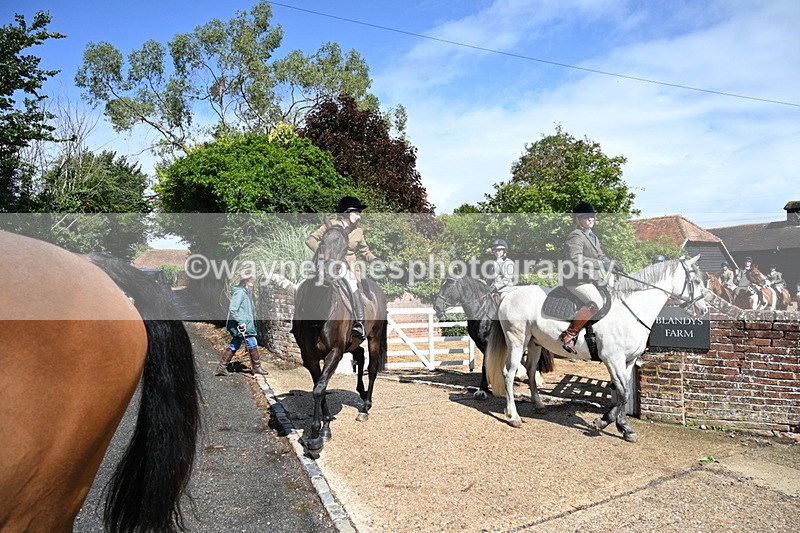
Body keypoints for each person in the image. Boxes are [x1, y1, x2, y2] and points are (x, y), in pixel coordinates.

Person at [306, 196, 378, 339]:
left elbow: (365, 252)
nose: (359, 217)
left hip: (347, 268)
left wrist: (375, 259)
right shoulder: (331, 225)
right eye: (356, 213)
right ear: (347, 212)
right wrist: (323, 252)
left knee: (352, 285)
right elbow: (310, 239)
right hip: (327, 264)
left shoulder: (358, 232)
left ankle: (359, 323)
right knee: (307, 284)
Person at [559, 201, 621, 354]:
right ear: (577, 219)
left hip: (589, 279)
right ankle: (569, 335)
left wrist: (611, 264)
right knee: (596, 302)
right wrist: (600, 264)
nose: (590, 219)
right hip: (576, 279)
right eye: (586, 217)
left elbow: (601, 256)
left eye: (592, 216)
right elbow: (575, 258)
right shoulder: (575, 235)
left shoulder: (593, 237)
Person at [216, 272, 268, 376]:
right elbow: (233, 309)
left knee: (235, 344)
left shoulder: (246, 291)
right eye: (251, 279)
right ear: (246, 281)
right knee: (252, 342)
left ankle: (222, 367)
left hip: (245, 324)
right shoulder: (240, 292)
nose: (253, 281)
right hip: (243, 325)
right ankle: (256, 367)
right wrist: (241, 322)